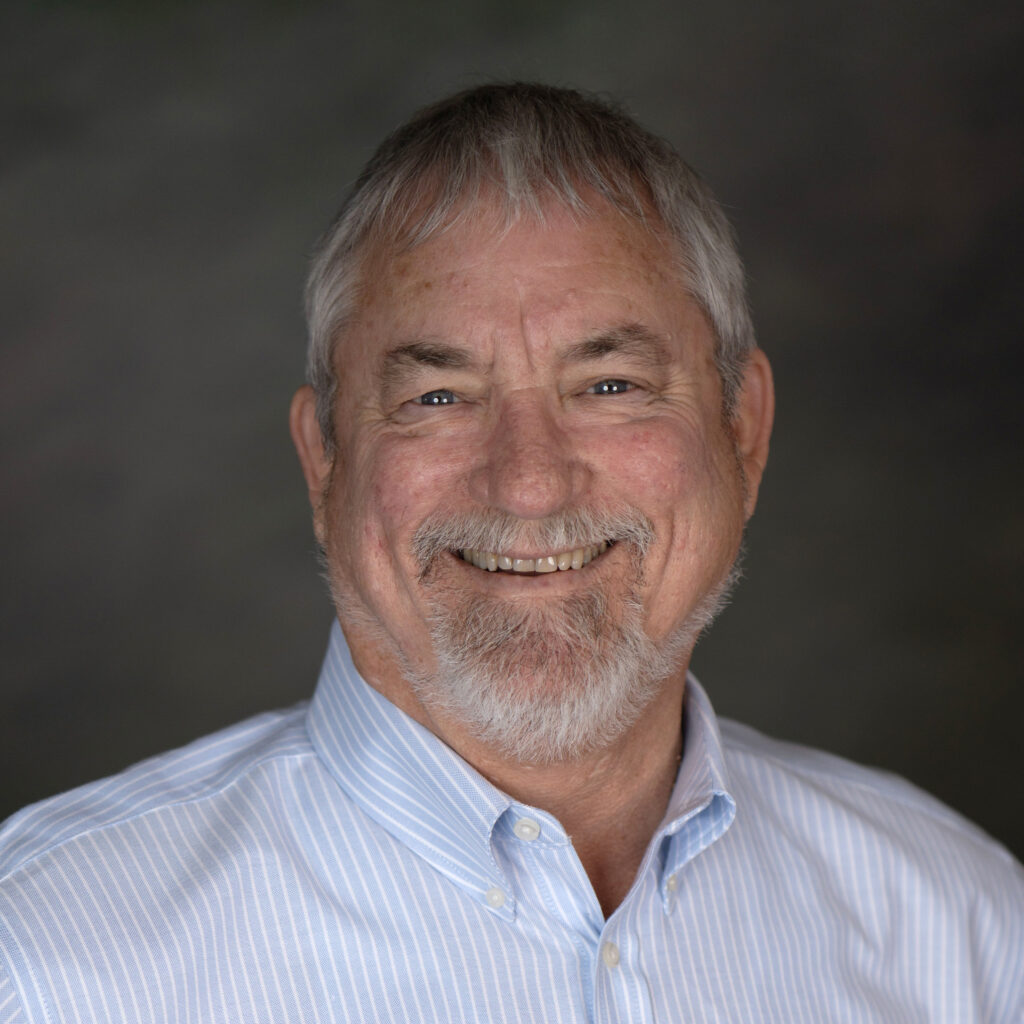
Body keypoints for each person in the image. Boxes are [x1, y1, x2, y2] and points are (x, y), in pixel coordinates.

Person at [0, 83, 1020, 1023]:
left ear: (742, 434)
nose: (528, 481)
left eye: (609, 384)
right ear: (324, 461)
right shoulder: (44, 957)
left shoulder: (957, 927)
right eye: (437, 397)